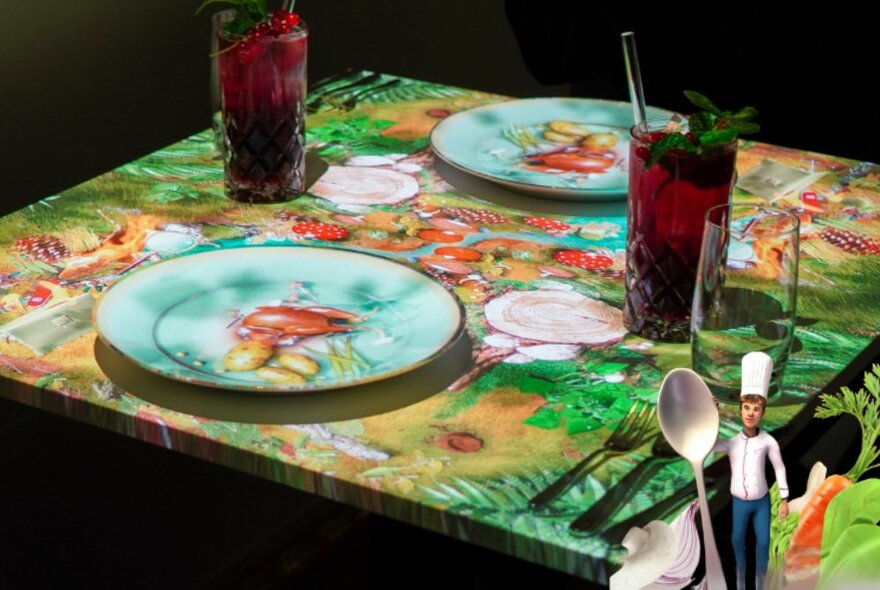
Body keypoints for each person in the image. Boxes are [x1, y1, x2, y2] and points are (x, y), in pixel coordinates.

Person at [712, 351, 789, 590]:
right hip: (739, 502)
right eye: (747, 407)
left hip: (762, 501)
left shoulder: (769, 442)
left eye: (755, 409)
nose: (750, 413)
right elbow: (710, 445)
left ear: (762, 413)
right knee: (736, 540)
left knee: (763, 543)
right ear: (740, 410)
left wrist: (785, 499)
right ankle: (740, 580)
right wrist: (712, 415)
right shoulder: (732, 443)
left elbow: (780, 469)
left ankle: (761, 583)